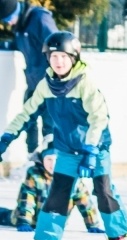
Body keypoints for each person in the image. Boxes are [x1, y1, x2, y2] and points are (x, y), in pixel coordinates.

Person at [0, 31, 127, 240]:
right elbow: (27, 113)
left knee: (103, 191)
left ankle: (117, 237)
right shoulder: (46, 85)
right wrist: (7, 137)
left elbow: (99, 117)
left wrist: (91, 150)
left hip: (96, 147)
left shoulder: (84, 82)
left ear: (73, 57)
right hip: (67, 149)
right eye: (53, 56)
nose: (58, 61)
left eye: (63, 56)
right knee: (57, 195)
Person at [0, 137, 103, 233]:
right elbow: (27, 199)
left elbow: (84, 201)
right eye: (49, 159)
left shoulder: (71, 178)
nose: (53, 164)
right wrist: (24, 221)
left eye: (57, 160)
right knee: (4, 215)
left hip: (54, 223)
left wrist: (92, 224)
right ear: (42, 159)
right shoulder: (34, 174)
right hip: (28, 219)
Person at [0, 0, 57, 158]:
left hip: (49, 84)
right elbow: (17, 45)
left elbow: (56, 43)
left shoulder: (39, 18)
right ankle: (32, 158)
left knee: (49, 125)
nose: (9, 23)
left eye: (9, 18)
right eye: (5, 20)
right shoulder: (20, 27)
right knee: (29, 122)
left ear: (16, 11)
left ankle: (50, 161)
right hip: (33, 84)